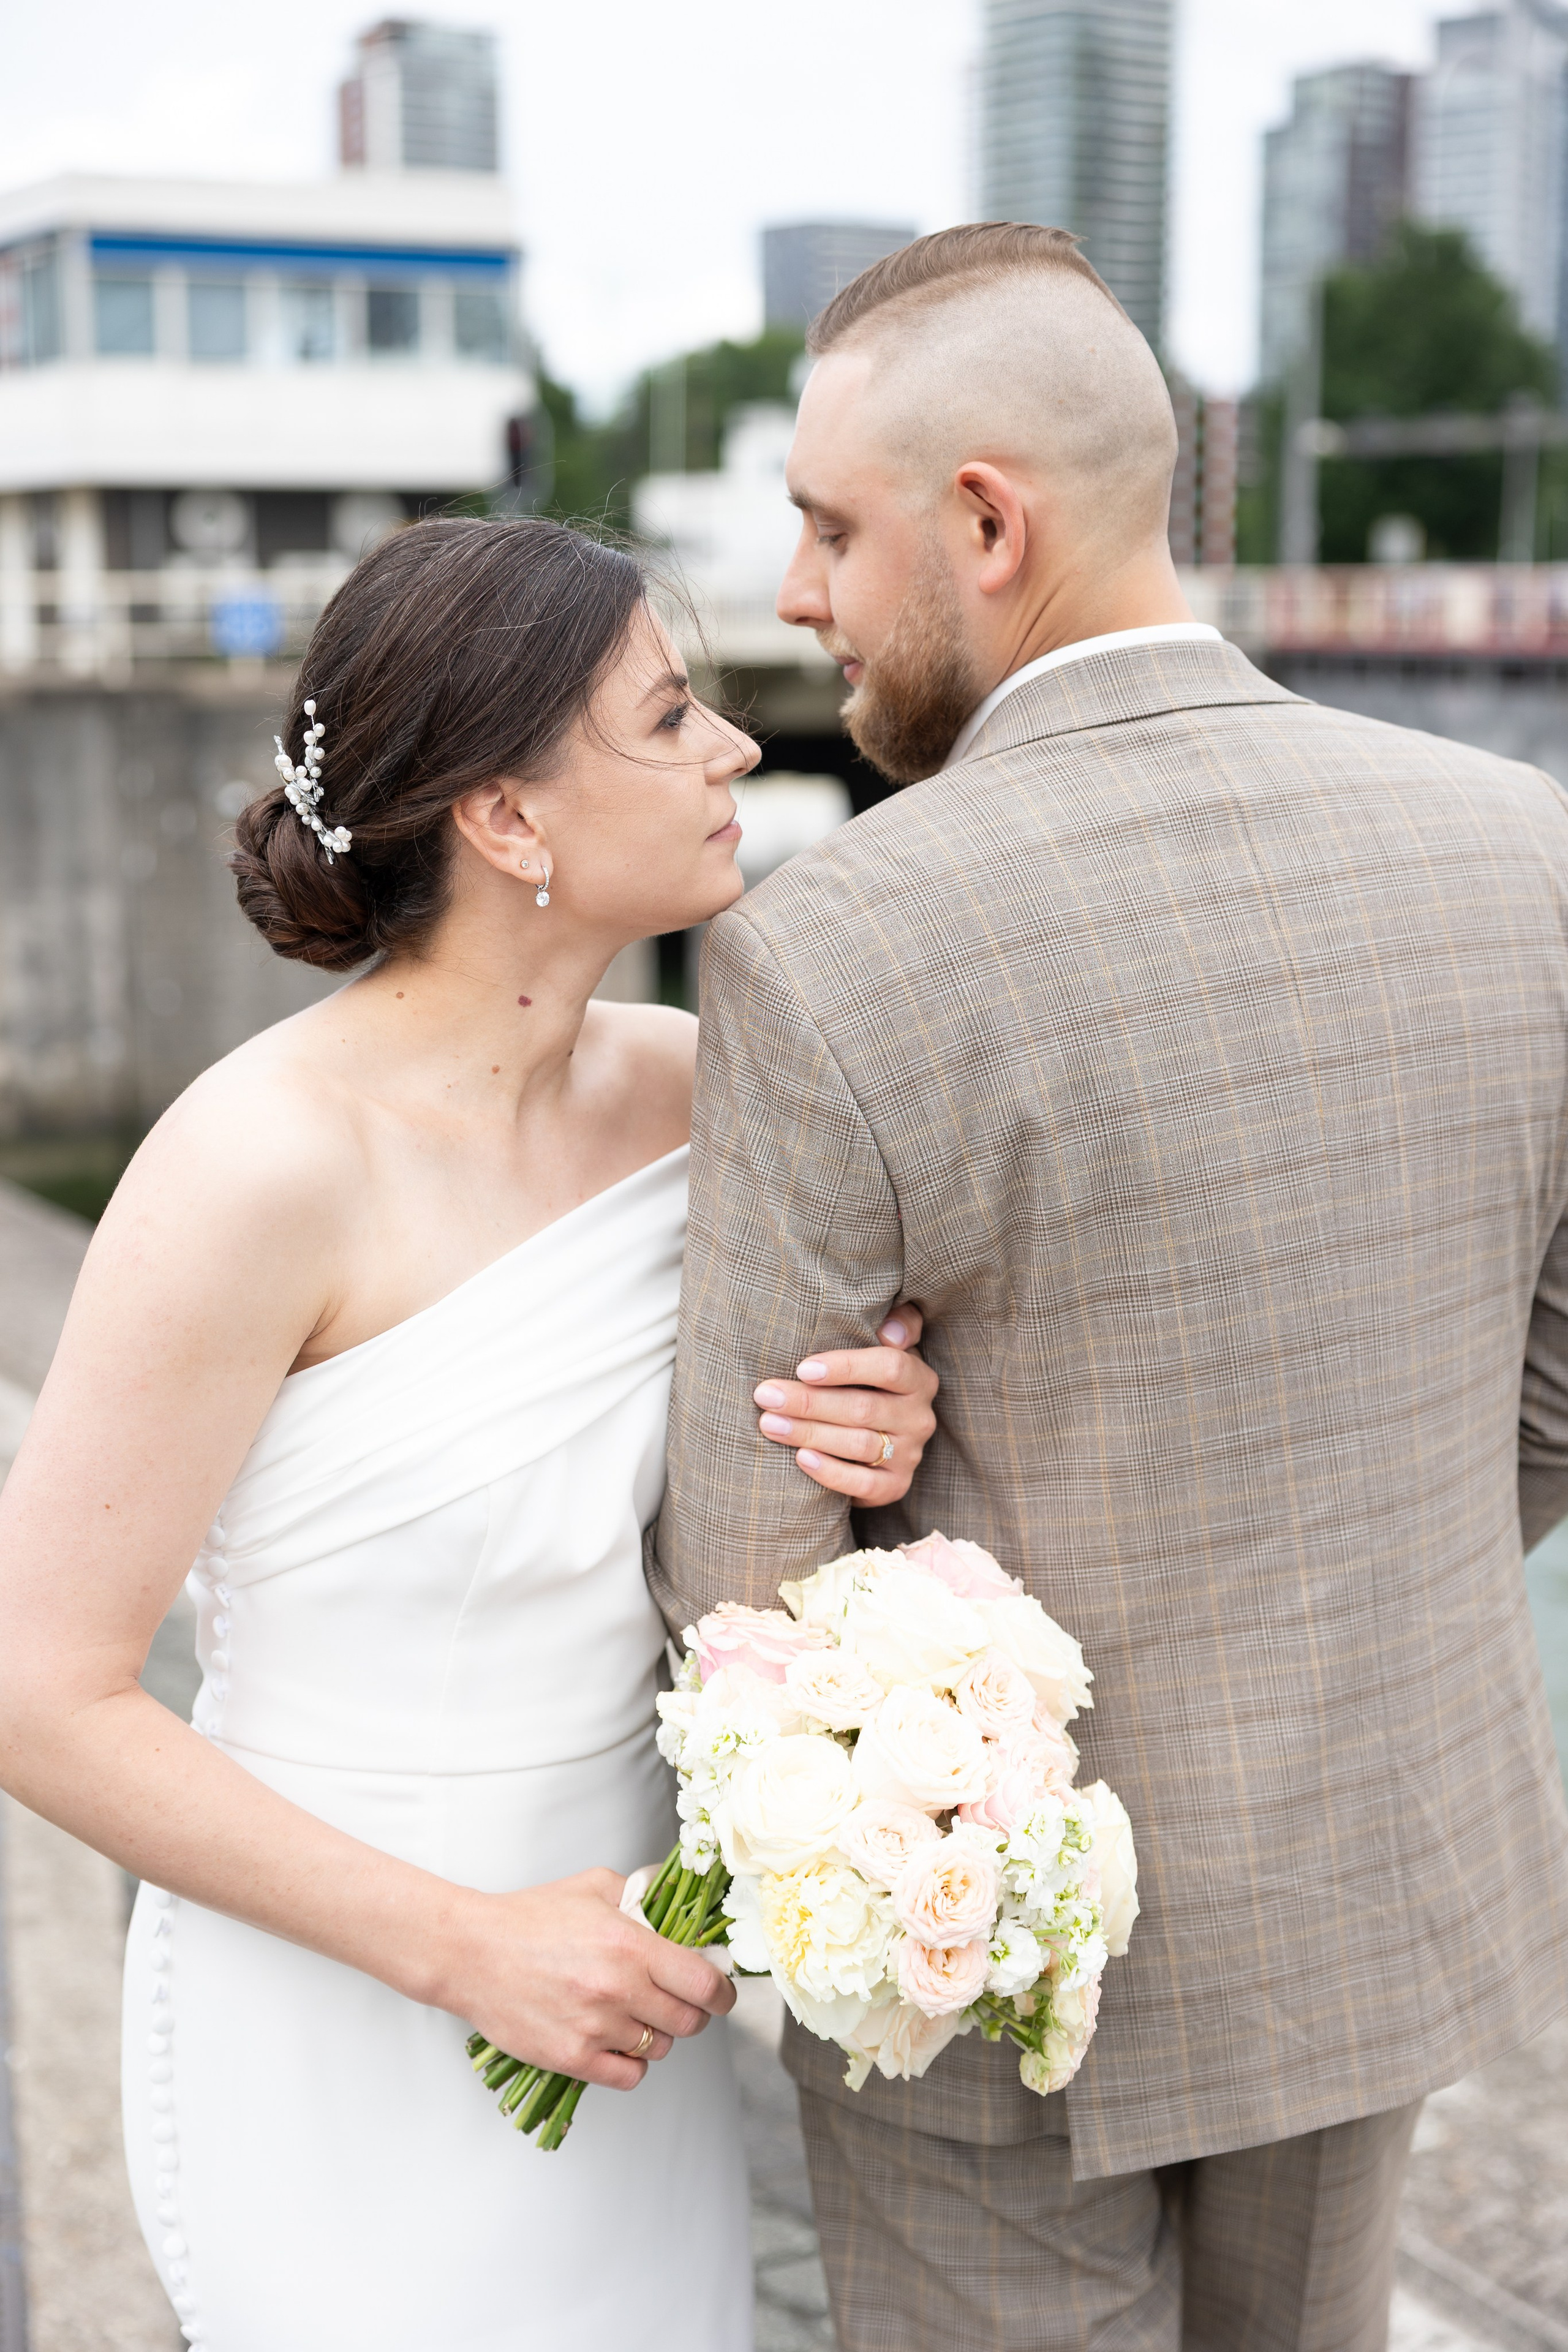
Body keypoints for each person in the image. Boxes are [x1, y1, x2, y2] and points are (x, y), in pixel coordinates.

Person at [652, 222, 1568, 2352]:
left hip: (979, 1964)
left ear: (986, 525)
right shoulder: (1523, 849)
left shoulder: (833, 942)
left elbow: (747, 1559)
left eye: (822, 528)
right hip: (1372, 1867)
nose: (794, 595)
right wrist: (1385, 1547)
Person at [0, 517, 941, 2352]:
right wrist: (470, 1948)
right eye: (674, 719)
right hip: (347, 1990)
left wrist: (873, 1423)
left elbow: (748, 1495)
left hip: (625, 1994)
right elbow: (38, 1692)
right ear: (508, 820)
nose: (742, 752)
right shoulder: (254, 1167)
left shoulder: (703, 1099)